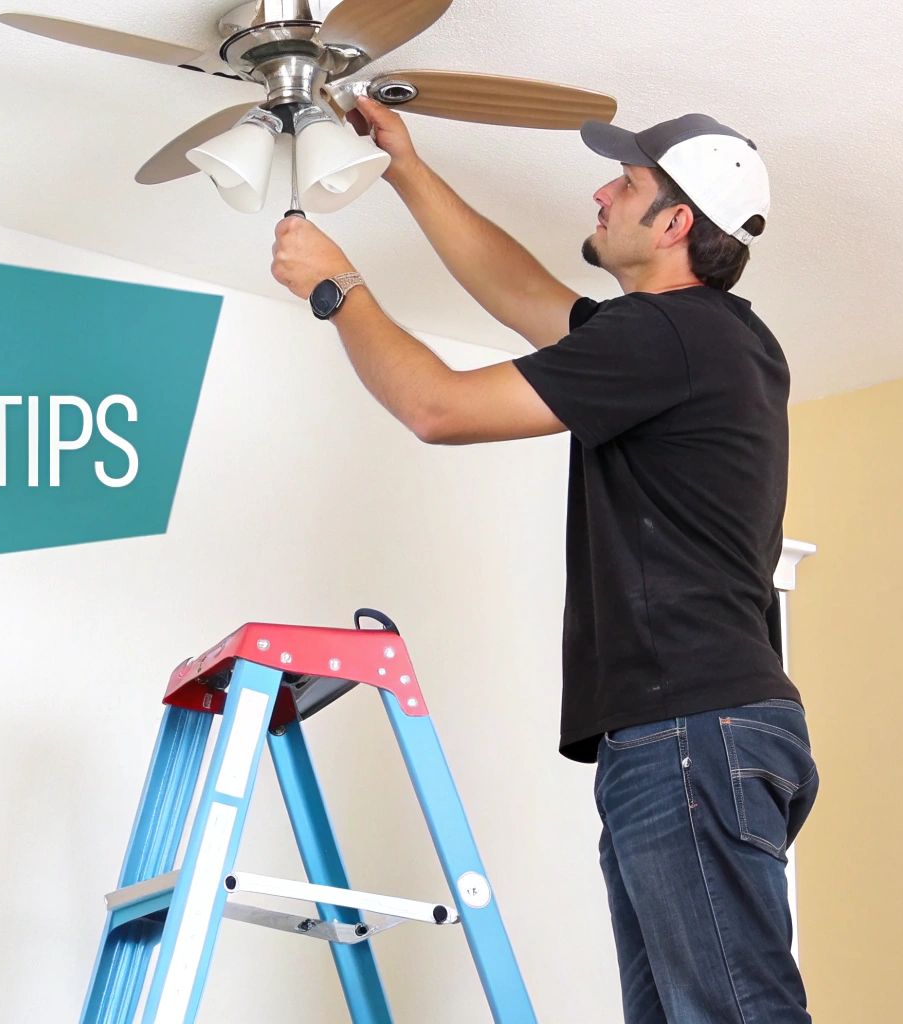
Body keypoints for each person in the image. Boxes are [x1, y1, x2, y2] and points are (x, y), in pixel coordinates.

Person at [269, 100, 820, 1023]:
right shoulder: (702, 340)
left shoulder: (669, 336)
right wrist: (404, 164)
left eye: (627, 184)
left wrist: (338, 290)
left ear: (675, 224)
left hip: (691, 727)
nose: (602, 192)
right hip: (693, 729)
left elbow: (437, 408)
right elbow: (519, 291)